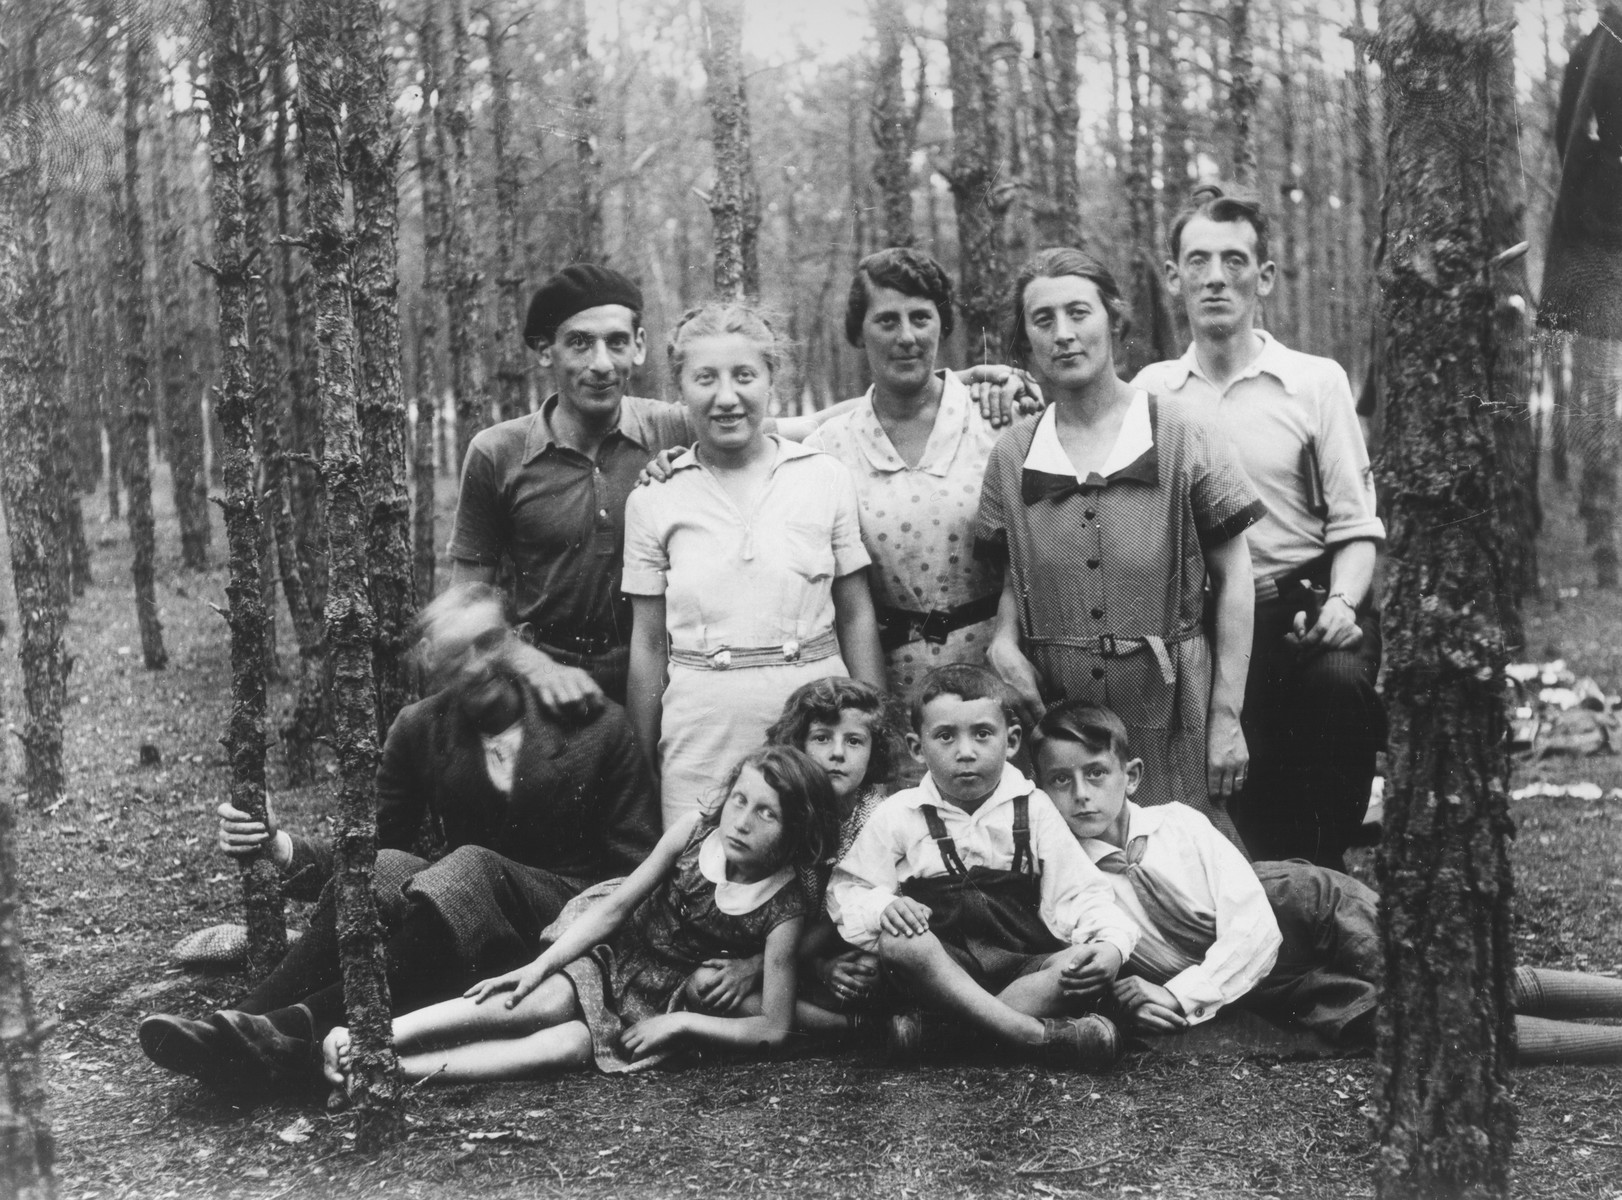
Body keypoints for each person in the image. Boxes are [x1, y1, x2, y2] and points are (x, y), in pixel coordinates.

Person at [138, 583, 659, 1092]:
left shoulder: (594, 726)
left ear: (518, 640)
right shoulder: (421, 729)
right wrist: (277, 845)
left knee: (469, 865)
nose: (476, 666)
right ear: (434, 663)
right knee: (387, 865)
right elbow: (365, 855)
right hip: (459, 935)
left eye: (489, 642)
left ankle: (289, 1028)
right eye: (458, 655)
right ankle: (236, 1026)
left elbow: (634, 869)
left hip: (560, 930)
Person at [453, 264, 1030, 714]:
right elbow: (466, 602)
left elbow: (812, 424)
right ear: (544, 352)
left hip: (657, 669)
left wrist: (952, 387)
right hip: (547, 678)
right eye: (579, 343)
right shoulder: (497, 453)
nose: (601, 364)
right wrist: (536, 669)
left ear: (641, 348)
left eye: (615, 343)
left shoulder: (677, 425)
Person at [1036, 702, 1622, 1064]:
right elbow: (1090, 954)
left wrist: (1179, 994)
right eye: (1061, 781)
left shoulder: (1179, 824)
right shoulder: (1068, 879)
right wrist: (1131, 993)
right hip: (1268, 989)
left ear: (1130, 776)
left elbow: (1253, 926)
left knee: (1448, 979)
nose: (1081, 794)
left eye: (1095, 773)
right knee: (1420, 1029)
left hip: (1305, 914)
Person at [1133, 185, 1386, 868]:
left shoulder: (1314, 383)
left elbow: (1357, 526)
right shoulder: (1150, 394)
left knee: (1338, 691)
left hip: (1304, 613)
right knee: (1225, 795)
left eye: (1235, 261)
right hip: (1203, 620)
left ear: (1264, 277)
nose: (1217, 278)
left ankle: (1325, 867)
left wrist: (1342, 603)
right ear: (1174, 275)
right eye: (1199, 261)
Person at [322, 747, 833, 1084]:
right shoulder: (694, 834)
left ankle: (395, 1070)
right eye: (739, 800)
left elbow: (774, 1028)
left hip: (663, 997)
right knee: (542, 1000)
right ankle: (378, 1036)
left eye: (767, 813)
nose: (741, 822)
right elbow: (616, 908)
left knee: (565, 1047)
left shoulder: (783, 907)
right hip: (621, 947)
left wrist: (681, 1025)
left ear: (796, 831)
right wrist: (536, 967)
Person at [976, 248, 1264, 842]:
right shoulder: (1012, 454)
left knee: (1186, 864)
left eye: (1079, 313)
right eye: (1043, 320)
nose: (1064, 335)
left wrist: (1226, 716)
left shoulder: (1181, 432)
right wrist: (1004, 643)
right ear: (1024, 337)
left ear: (1113, 319)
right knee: (1075, 877)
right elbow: (1012, 577)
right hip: (1060, 717)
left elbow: (1236, 577)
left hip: (1171, 708)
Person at [623, 303, 885, 828]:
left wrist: (872, 731)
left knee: (825, 880)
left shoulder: (824, 477)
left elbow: (855, 614)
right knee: (706, 885)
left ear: (771, 381)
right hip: (702, 734)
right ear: (680, 390)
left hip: (816, 723)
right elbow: (649, 643)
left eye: (744, 375)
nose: (726, 397)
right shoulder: (655, 496)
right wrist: (645, 756)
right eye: (705, 378)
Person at [827, 665, 1138, 1068]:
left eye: (982, 734)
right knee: (900, 940)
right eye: (945, 736)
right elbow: (848, 889)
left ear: (1010, 742)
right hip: (941, 974)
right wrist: (884, 907)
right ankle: (1032, 1036)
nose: (966, 751)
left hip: (1022, 969)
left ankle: (947, 1035)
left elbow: (1081, 892)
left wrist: (1111, 945)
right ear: (917, 748)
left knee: (1076, 964)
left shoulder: (1035, 808)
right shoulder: (899, 814)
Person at [803, 249, 1008, 699]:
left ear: (942, 323)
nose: (908, 337)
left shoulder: (996, 421)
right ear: (859, 331)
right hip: (888, 683)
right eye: (887, 321)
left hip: (997, 675)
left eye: (921, 317)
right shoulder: (829, 449)